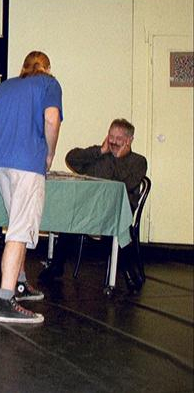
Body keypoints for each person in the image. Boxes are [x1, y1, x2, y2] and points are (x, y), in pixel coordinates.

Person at [0, 51, 63, 324]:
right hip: (28, 165)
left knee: (18, 224)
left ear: (23, 67)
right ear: (47, 67)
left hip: (2, 165)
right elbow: (52, 119)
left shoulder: (1, 89)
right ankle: (5, 300)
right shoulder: (49, 84)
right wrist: (48, 155)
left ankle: (21, 283)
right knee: (19, 230)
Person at [39, 119, 148, 289]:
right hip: (91, 208)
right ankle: (57, 266)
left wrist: (117, 158)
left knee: (114, 223)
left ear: (129, 140)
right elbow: (71, 159)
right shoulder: (99, 155)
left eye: (119, 138)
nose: (113, 142)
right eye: (111, 136)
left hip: (118, 210)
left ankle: (130, 273)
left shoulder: (138, 161)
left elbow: (123, 185)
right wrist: (100, 151)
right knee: (70, 215)